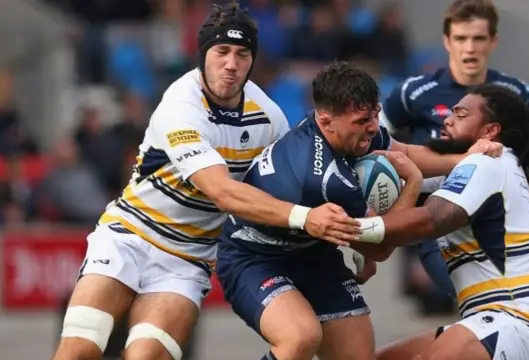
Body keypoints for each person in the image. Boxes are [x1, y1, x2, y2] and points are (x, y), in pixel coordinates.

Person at [52, 3, 364, 360]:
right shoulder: (181, 105)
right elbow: (222, 192)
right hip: (129, 237)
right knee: (79, 349)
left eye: (242, 54)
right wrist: (305, 217)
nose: (231, 64)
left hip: (188, 260)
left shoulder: (269, 118)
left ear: (252, 60)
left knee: (145, 357)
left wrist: (356, 237)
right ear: (204, 54)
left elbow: (297, 181)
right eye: (222, 51)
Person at [214, 61, 502, 360]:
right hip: (253, 258)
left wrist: (466, 158)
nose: (374, 127)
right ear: (325, 122)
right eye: (363, 120)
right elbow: (382, 247)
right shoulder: (326, 180)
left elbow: (403, 153)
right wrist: (412, 183)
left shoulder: (348, 130)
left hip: (312, 253)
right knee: (300, 336)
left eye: (375, 115)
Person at [355, 84, 529, 360]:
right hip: (493, 321)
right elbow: (404, 155)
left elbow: (433, 219)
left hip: (518, 321)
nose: (447, 119)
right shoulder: (463, 168)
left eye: (461, 114)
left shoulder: (489, 163)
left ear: (489, 131)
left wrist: (351, 228)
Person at [379, 0, 529, 308]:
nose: (470, 48)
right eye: (461, 38)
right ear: (447, 41)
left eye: (478, 38)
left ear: (493, 41)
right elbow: (375, 137)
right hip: (440, 223)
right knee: (486, 303)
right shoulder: (413, 92)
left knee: (517, 307)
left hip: (502, 221)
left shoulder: (513, 93)